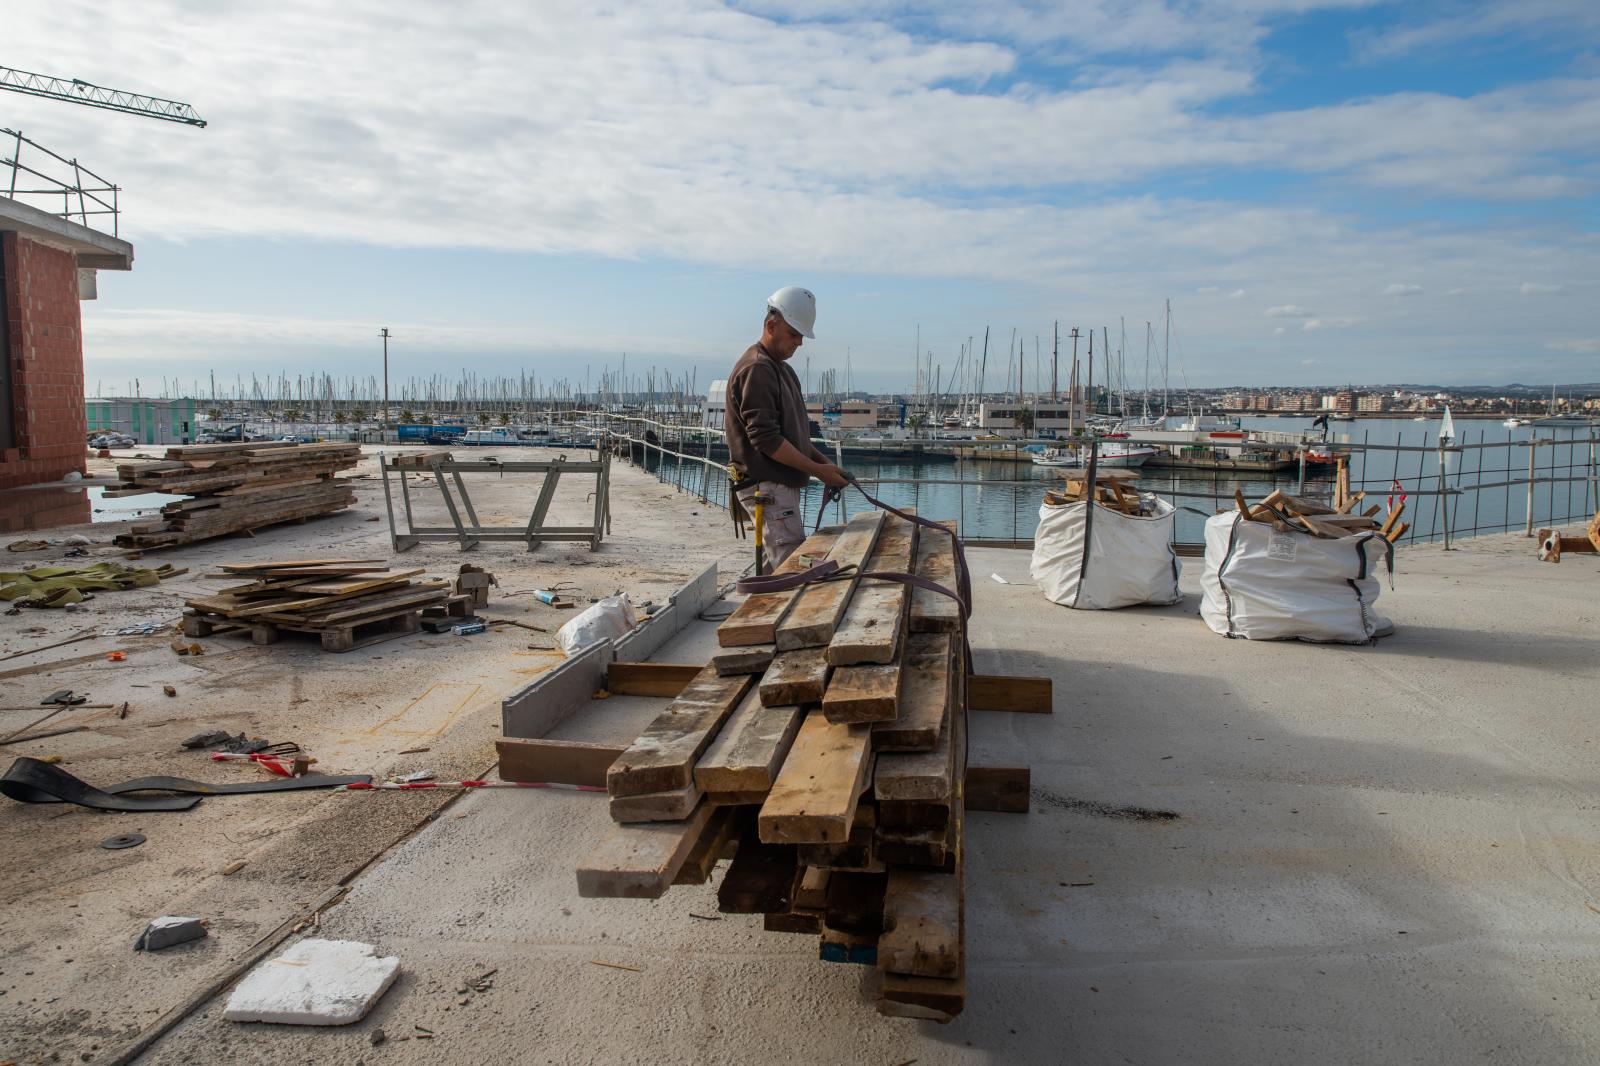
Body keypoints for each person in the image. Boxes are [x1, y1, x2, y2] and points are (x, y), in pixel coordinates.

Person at [725, 286, 850, 571]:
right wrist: (819, 471)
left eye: (801, 336)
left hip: (775, 487)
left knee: (780, 566)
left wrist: (825, 465)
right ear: (771, 325)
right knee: (792, 567)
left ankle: (758, 611)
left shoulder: (781, 369)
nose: (799, 343)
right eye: (794, 334)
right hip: (766, 486)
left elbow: (794, 437)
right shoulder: (758, 369)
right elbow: (766, 439)